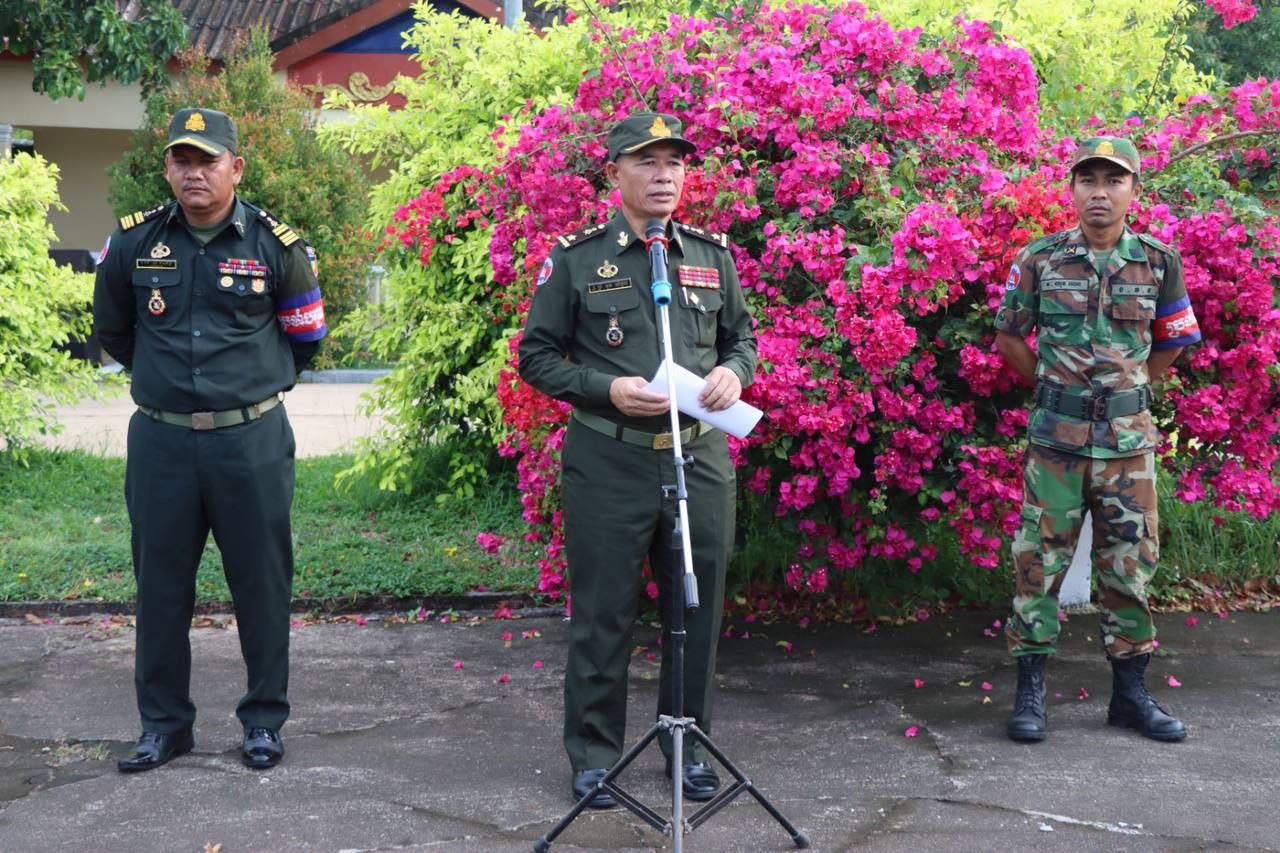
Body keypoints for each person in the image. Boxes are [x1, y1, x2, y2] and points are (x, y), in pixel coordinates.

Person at [518, 112, 757, 807]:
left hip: (698, 458)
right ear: (613, 173)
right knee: (604, 613)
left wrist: (734, 373)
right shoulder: (576, 259)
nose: (664, 175)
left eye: (674, 162)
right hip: (609, 460)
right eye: (647, 162)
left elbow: (741, 339)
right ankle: (595, 756)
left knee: (696, 607)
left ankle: (689, 744)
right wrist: (607, 388)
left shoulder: (711, 256)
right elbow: (536, 356)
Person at [94, 108, 326, 772]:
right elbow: (114, 330)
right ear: (168, 168)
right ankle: (164, 726)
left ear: (236, 167)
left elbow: (306, 338)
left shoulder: (276, 246)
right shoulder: (133, 243)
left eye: (208, 160)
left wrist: (247, 388)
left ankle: (264, 721)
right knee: (160, 588)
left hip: (250, 440)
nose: (194, 173)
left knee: (262, 584)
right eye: (182, 160)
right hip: (162, 442)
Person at [994, 136, 1201, 744]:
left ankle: (1130, 697)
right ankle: (1030, 694)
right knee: (1038, 565)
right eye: (1088, 180)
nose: (1100, 193)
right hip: (1055, 446)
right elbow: (1009, 337)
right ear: (1073, 189)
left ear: (1134, 190)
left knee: (1128, 569)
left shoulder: (1159, 262)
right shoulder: (1040, 259)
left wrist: (1125, 393)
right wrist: (1056, 393)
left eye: (1114, 180)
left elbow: (1172, 341)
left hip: (1127, 450)